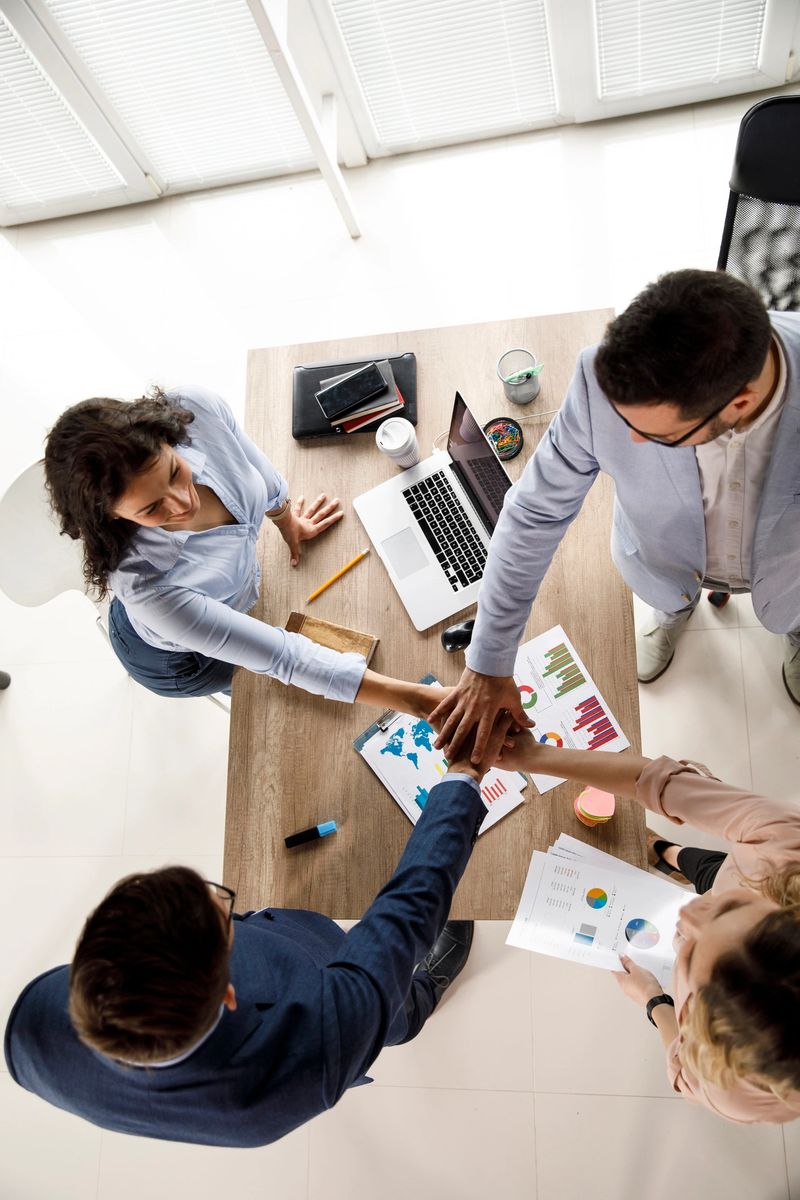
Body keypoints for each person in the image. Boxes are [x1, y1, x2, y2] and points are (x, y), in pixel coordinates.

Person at [3, 723, 508, 1147]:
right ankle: (419, 1001)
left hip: (265, 969)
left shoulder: (31, 1030)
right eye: (225, 920)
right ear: (228, 992)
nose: (231, 909)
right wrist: (463, 777)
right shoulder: (317, 1049)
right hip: (317, 999)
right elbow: (407, 913)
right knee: (391, 1007)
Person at [431, 269, 800, 762]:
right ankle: (674, 609)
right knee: (670, 595)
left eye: (658, 436)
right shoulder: (600, 377)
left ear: (741, 404)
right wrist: (489, 660)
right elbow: (534, 514)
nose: (629, 443)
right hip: (664, 557)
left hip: (789, 573)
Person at [44, 385, 435, 717]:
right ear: (112, 518)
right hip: (179, 658)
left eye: (175, 472)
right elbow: (285, 658)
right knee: (259, 703)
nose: (183, 503)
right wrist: (424, 703)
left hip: (214, 606)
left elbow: (253, 470)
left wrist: (285, 519)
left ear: (166, 437)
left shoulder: (193, 409)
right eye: (151, 509)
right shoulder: (149, 590)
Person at [497, 730, 800, 1123]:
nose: (686, 915)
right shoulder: (787, 846)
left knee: (716, 876)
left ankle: (673, 859)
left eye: (689, 954)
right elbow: (654, 781)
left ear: (702, 1021)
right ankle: (667, 853)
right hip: (753, 865)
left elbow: (683, 1073)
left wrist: (654, 1001)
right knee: (710, 870)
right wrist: (533, 756)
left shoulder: (737, 1093)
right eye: (730, 911)